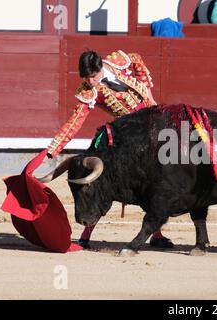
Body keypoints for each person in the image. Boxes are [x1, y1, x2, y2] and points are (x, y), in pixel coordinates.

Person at [43, 50, 173, 249]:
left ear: (100, 69)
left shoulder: (117, 61)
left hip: (153, 122)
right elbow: (74, 122)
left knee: (155, 178)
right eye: (86, 78)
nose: (90, 82)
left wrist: (147, 88)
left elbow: (137, 58)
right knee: (103, 179)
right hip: (127, 131)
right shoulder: (88, 90)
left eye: (93, 77)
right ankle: (86, 233)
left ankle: (157, 233)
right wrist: (52, 150)